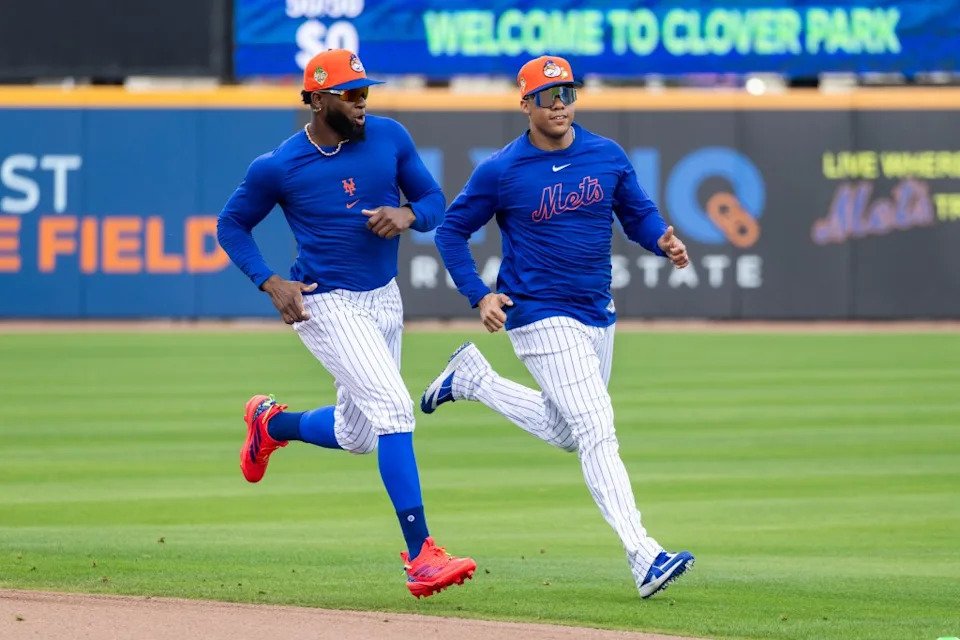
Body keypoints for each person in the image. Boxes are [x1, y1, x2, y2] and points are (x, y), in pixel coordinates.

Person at [421, 55, 694, 599]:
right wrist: (479, 295)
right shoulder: (501, 169)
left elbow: (635, 212)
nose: (561, 105)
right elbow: (451, 233)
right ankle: (643, 554)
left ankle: (473, 380)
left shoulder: (606, 154)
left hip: (596, 311)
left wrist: (661, 236)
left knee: (570, 431)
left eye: (568, 93)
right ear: (525, 104)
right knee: (596, 426)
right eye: (549, 96)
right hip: (537, 312)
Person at [216, 49, 475, 599]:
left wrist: (409, 214)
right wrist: (269, 280)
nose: (362, 101)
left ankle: (270, 425)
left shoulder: (389, 137)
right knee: (394, 408)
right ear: (316, 98)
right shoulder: (279, 165)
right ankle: (421, 554)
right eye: (350, 93)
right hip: (324, 302)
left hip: (384, 297)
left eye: (365, 91)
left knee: (356, 435)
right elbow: (232, 224)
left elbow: (433, 199)